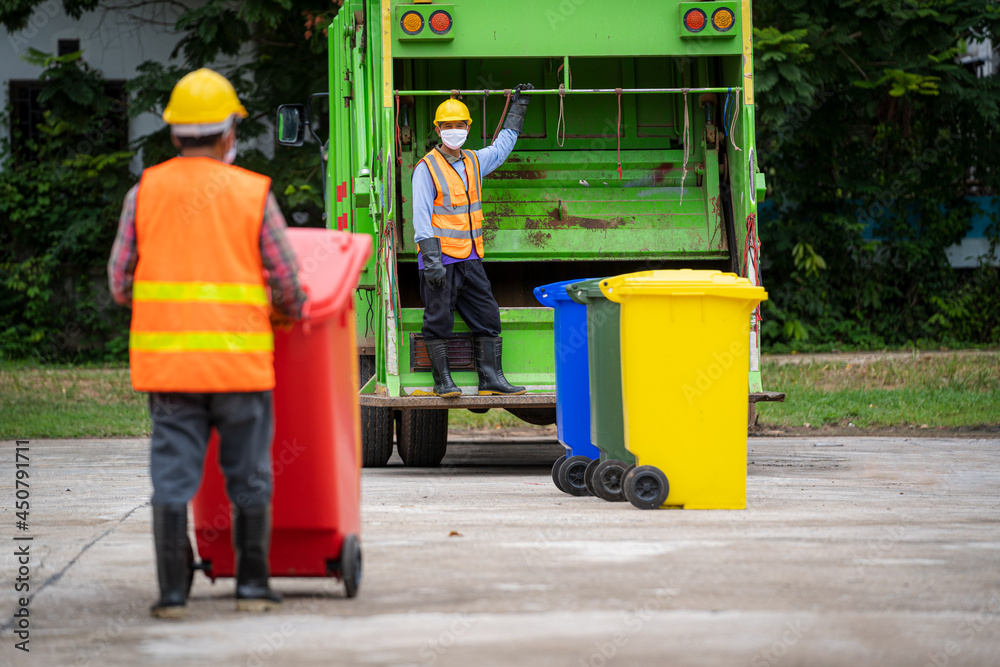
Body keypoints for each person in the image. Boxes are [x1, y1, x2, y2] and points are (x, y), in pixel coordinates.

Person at [107, 68, 307, 619]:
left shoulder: (142, 193)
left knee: (172, 478)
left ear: (175, 135)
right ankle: (250, 587)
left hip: (169, 371)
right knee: (248, 475)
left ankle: (173, 594)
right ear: (227, 135)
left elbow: (121, 282)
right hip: (239, 369)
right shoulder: (251, 194)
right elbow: (288, 283)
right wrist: (289, 311)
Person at [413, 85, 534, 397]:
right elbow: (421, 216)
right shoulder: (426, 168)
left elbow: (504, 145)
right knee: (439, 320)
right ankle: (444, 383)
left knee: (487, 317)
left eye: (460, 125)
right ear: (437, 129)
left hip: (470, 259)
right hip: (440, 260)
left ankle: (491, 381)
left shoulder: (474, 161)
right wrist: (431, 261)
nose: (454, 131)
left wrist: (518, 107)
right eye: (448, 126)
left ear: (468, 127)